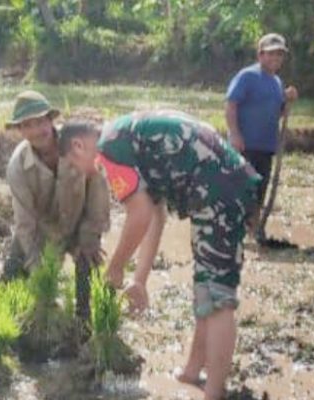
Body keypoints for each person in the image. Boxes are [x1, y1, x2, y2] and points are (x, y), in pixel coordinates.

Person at [58, 110, 260, 400]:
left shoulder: (107, 150)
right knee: (205, 283)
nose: (84, 172)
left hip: (218, 193)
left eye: (74, 166)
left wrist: (115, 268)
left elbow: (138, 215)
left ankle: (213, 393)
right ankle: (192, 371)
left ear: (78, 145)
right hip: (221, 186)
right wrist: (139, 280)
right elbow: (155, 216)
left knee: (218, 297)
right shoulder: (125, 136)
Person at [3, 90, 110, 327]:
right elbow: (25, 222)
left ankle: (85, 326)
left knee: (87, 263)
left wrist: (91, 233)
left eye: (41, 121)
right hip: (43, 229)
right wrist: (40, 274)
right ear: (20, 131)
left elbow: (99, 185)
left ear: (51, 121)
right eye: (28, 125)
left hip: (79, 224)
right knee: (10, 281)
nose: (37, 130)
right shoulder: (17, 167)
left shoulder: (77, 145)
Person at [225, 33, 299, 240]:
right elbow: (231, 105)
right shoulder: (247, 76)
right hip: (245, 145)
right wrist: (235, 134)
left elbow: (278, 113)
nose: (276, 59)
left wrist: (287, 101)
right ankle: (233, 232)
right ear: (261, 55)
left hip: (265, 146)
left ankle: (254, 230)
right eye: (272, 54)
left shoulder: (276, 82)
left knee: (259, 190)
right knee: (242, 189)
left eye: (280, 55)